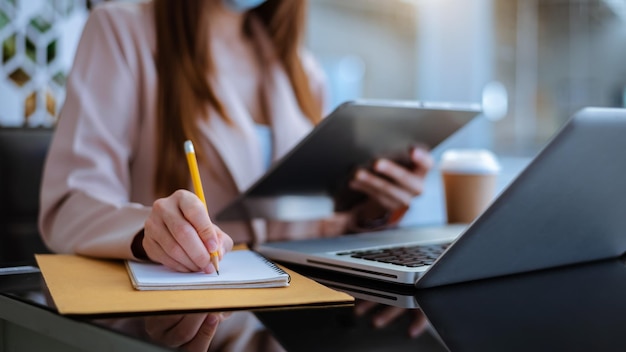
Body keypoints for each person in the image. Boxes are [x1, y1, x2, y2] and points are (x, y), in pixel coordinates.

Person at [39, 0, 432, 275]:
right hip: (187, 312)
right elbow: (69, 207)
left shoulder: (302, 70)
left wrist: (369, 210)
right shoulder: (120, 31)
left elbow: (302, 225)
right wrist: (147, 234)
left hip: (285, 316)